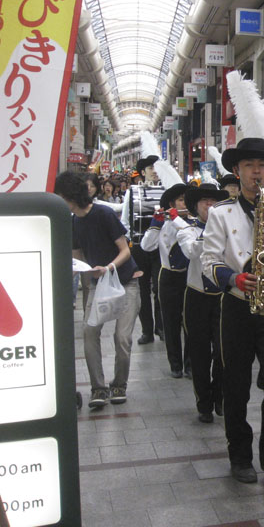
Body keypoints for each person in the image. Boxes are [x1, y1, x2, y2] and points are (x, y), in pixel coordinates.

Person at [200, 137, 264, 483]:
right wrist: (232, 279)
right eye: (250, 166)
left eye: (262, 166)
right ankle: (240, 456)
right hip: (237, 308)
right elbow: (208, 261)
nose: (257, 172)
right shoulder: (220, 213)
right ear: (237, 171)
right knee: (236, 385)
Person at [54, 171, 141, 409]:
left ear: (69, 196)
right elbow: (76, 259)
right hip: (98, 285)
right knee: (90, 332)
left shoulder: (103, 213)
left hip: (125, 281)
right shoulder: (73, 221)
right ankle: (98, 388)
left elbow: (125, 250)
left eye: (59, 196)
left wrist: (109, 267)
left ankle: (119, 384)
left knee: (122, 337)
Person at [176, 183, 230, 423]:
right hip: (196, 297)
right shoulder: (186, 230)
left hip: (222, 297)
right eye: (205, 202)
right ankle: (203, 403)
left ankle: (219, 396)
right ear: (195, 207)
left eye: (214, 202)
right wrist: (214, 231)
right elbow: (191, 252)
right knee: (199, 353)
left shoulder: (229, 229)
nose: (210, 206)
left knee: (223, 351)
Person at [140, 182, 191, 378]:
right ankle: (175, 364)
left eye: (186, 200)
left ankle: (190, 364)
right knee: (171, 323)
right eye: (180, 200)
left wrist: (179, 219)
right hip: (169, 276)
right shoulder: (165, 224)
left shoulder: (192, 223)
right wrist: (155, 224)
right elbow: (146, 246)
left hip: (190, 276)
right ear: (172, 203)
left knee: (191, 323)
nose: (184, 203)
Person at [125, 155, 164, 345]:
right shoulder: (132, 192)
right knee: (142, 290)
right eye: (150, 168)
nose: (154, 170)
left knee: (159, 287)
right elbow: (126, 219)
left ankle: (161, 326)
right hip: (139, 247)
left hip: (160, 248)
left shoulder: (167, 190)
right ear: (142, 172)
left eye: (156, 167)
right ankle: (147, 330)